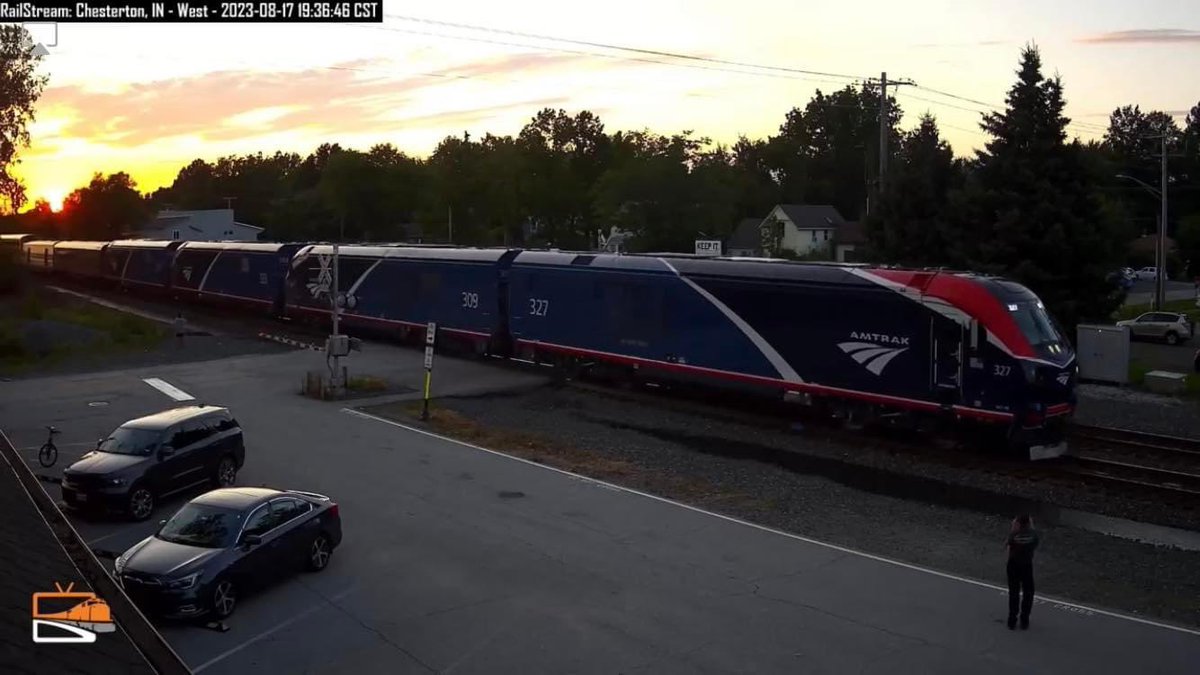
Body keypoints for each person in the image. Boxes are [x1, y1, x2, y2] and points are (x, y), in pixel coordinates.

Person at [1006, 514, 1040, 630]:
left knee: (1014, 592)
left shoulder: (1014, 535)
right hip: (1026, 565)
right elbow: (1035, 544)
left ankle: (1012, 619)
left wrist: (1013, 529)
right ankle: (1024, 619)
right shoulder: (1033, 535)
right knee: (1028, 592)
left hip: (1013, 564)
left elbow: (1008, 545)